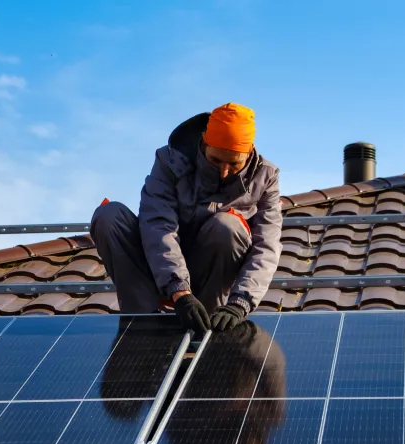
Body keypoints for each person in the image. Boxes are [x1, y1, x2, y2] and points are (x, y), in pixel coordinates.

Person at [90, 103, 282, 333]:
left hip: (211, 277)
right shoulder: (169, 161)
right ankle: (141, 324)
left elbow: (267, 246)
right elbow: (158, 225)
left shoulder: (265, 177)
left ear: (249, 152)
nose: (224, 171)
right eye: (216, 160)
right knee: (109, 216)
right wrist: (179, 290)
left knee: (227, 226)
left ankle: (208, 326)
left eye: (234, 164)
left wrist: (240, 303)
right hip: (159, 269)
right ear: (203, 143)